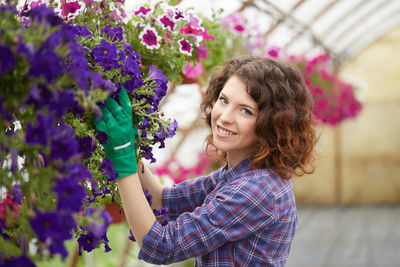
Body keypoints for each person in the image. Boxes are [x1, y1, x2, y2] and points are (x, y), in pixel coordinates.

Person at [93, 55, 317, 266]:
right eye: (224, 100)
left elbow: (161, 246)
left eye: (246, 111)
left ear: (272, 124)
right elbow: (164, 200)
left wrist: (122, 158)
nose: (225, 117)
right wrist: (130, 150)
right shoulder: (241, 172)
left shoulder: (255, 190)